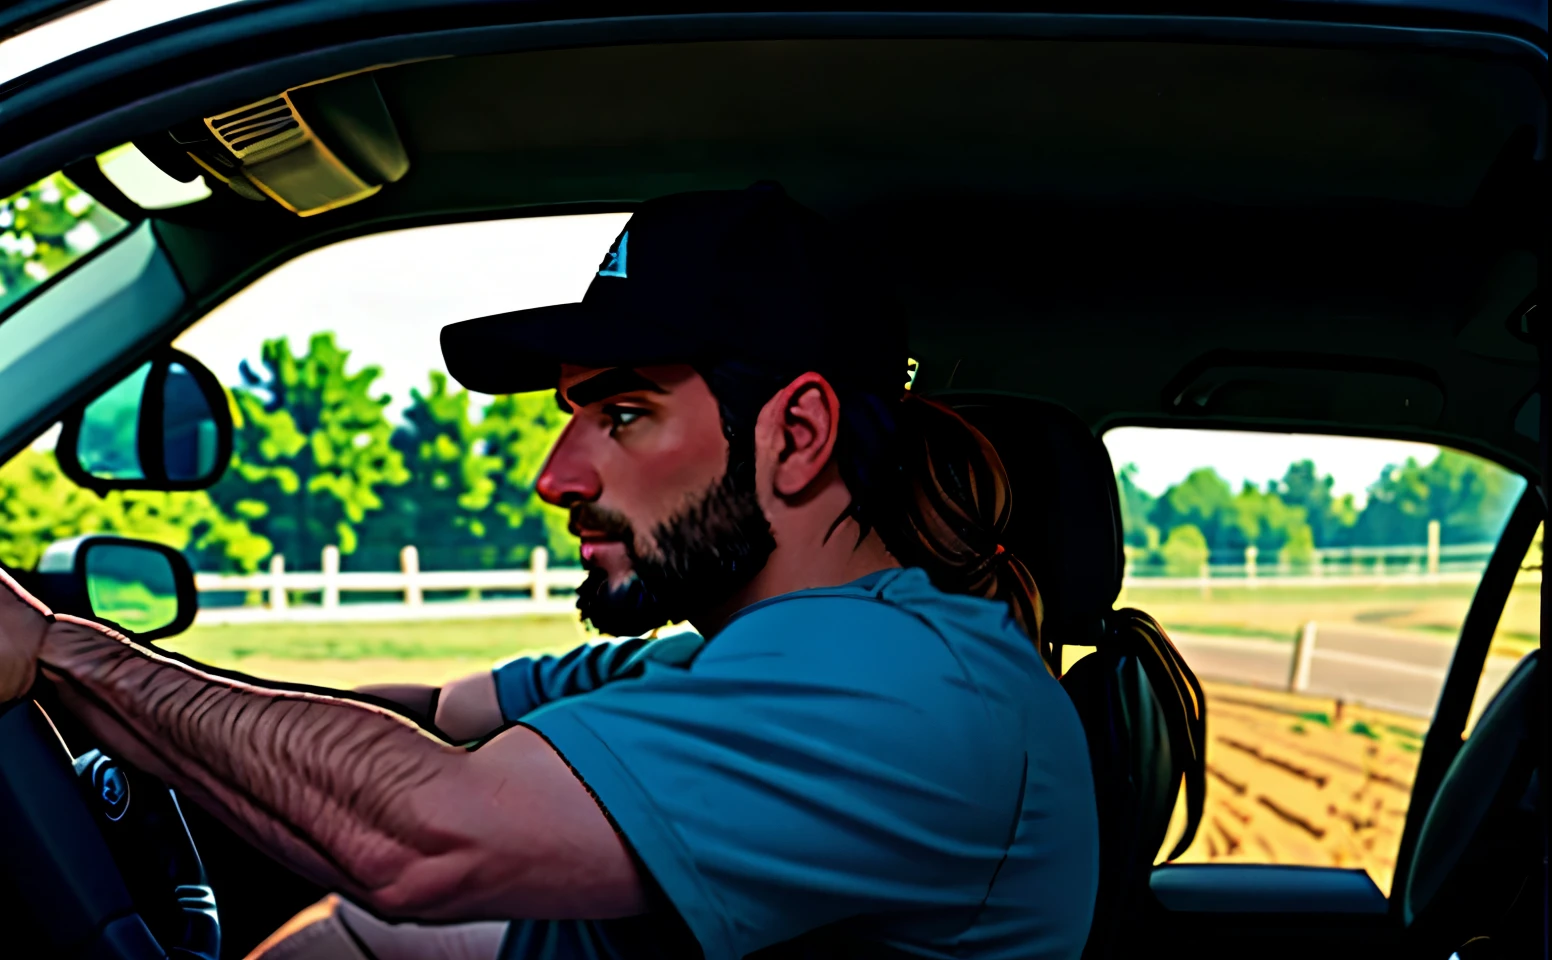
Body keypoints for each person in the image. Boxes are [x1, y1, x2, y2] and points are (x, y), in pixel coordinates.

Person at [0, 183, 1099, 960]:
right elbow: (434, 711)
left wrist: (61, 650)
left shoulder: (900, 687)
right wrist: (116, 701)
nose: (554, 476)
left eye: (623, 414)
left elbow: (419, 832)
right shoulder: (724, 667)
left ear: (795, 434)